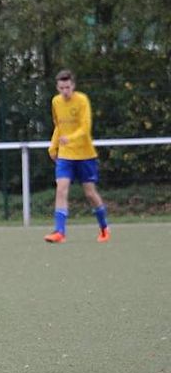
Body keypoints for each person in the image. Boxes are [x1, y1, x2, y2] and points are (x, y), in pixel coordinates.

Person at [44, 70, 110, 243]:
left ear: (73, 86)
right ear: (57, 88)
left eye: (67, 87)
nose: (64, 91)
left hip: (85, 154)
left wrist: (70, 138)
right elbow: (59, 127)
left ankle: (104, 227)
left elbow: (85, 128)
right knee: (61, 189)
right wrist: (53, 146)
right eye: (61, 88)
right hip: (65, 155)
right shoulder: (56, 102)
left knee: (90, 193)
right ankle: (60, 232)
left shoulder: (82, 100)